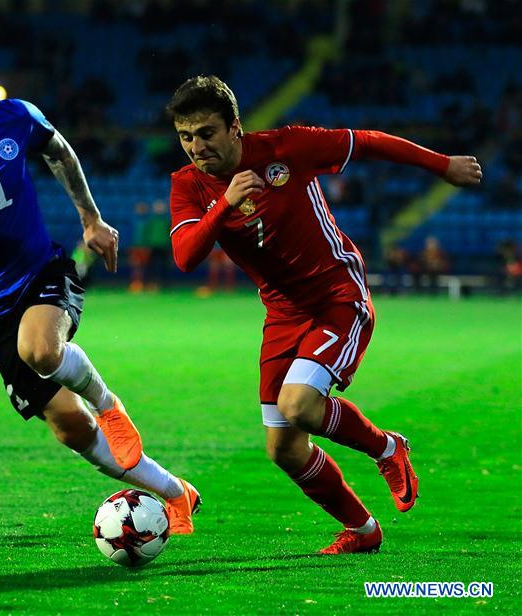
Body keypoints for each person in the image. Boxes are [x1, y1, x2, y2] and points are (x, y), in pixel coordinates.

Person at [165, 75, 482, 553]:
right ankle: (362, 530)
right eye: (186, 136)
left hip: (336, 295)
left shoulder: (286, 147)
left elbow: (367, 142)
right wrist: (224, 206)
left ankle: (387, 448)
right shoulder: (187, 186)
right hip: (282, 313)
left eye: (206, 133)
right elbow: (186, 256)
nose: (196, 147)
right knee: (285, 449)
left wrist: (442, 166)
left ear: (235, 128)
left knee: (299, 406)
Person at [0, 39, 199, 533]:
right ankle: (174, 491)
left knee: (41, 349)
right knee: (70, 428)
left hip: (42, 272)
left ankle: (110, 405)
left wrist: (91, 218)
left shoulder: (15, 117)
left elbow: (59, 151)